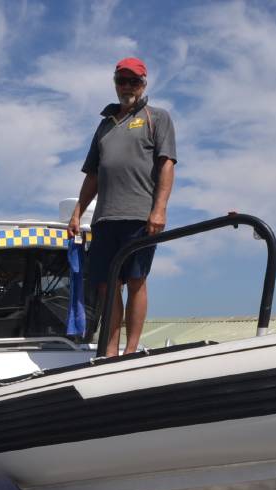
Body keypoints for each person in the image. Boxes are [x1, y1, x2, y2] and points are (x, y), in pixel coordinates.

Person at [67, 56, 177, 356]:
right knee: (106, 284)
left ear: (143, 84)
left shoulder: (158, 117)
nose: (127, 86)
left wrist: (160, 209)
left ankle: (130, 350)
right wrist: (78, 210)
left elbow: (167, 164)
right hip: (105, 218)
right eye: (122, 80)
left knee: (136, 280)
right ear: (115, 83)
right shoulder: (104, 126)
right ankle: (110, 349)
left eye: (134, 81)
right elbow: (93, 174)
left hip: (140, 216)